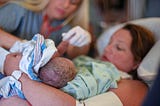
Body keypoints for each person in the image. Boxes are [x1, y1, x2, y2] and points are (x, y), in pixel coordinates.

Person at [0, 23, 155, 106]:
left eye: (119, 47)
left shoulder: (133, 87)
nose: (107, 49)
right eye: (109, 42)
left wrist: (19, 76)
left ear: (137, 62)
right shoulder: (87, 64)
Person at [0, 0, 91, 59]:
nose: (66, 5)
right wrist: (28, 47)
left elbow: (75, 54)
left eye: (73, 2)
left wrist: (83, 43)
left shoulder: (68, 28)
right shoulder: (18, 9)